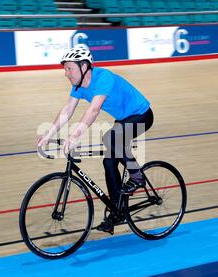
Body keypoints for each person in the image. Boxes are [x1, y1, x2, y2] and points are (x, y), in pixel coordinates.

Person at [37, 46, 154, 234]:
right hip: (124, 118)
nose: (66, 73)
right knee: (108, 162)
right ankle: (117, 211)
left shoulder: (103, 78)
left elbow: (93, 109)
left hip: (141, 114)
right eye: (65, 69)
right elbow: (68, 110)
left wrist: (75, 135)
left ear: (84, 67)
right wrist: (49, 133)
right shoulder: (78, 86)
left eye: (69, 68)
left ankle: (137, 176)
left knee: (110, 138)